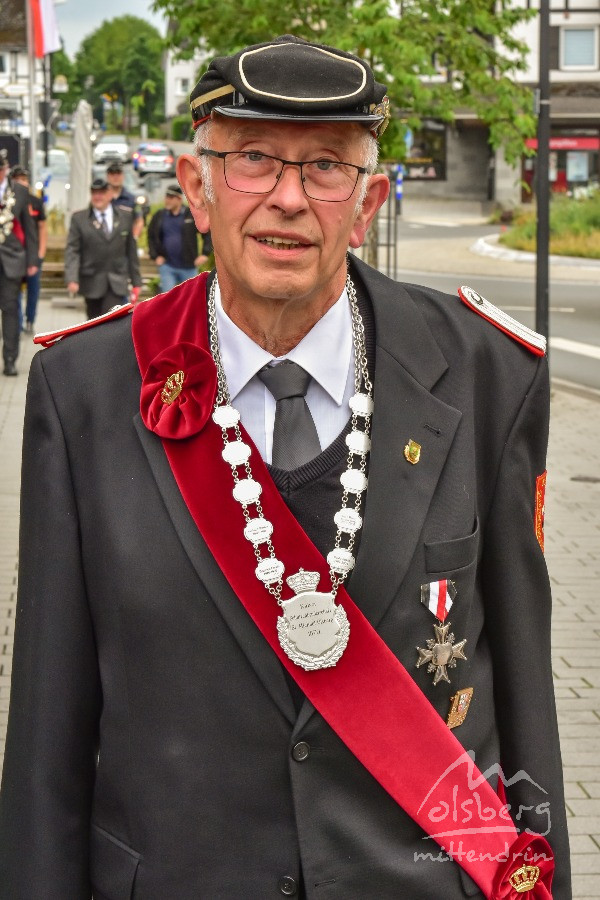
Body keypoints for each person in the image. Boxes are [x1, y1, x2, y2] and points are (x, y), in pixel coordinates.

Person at [0, 35, 570, 899]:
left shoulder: (492, 376)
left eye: (327, 168)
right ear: (196, 187)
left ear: (369, 199)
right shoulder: (81, 392)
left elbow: (528, 709)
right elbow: (47, 736)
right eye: (253, 159)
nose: (289, 198)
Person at [65, 175, 142, 319]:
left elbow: (131, 250)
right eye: (94, 193)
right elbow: (72, 250)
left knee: (111, 320)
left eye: (101, 193)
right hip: (91, 281)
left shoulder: (125, 217)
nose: (98, 197)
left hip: (117, 281)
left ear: (110, 194)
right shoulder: (79, 219)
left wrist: (136, 281)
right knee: (93, 323)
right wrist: (72, 278)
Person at [0, 151, 38, 375]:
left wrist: (32, 260)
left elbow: (29, 228)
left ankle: (10, 358)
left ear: (5, 169)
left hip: (12, 259)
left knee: (10, 309)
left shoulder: (20, 192)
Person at [147, 183, 211, 291]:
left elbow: (207, 233)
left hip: (188, 266)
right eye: (166, 197)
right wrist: (155, 256)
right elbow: (151, 236)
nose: (167, 200)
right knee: (168, 299)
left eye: (171, 198)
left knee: (191, 298)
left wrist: (205, 253)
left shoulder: (190, 214)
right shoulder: (160, 215)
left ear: (179, 199)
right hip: (167, 265)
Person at [10, 165, 47, 334]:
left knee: (33, 290)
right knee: (14, 291)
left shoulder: (35, 201)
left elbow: (42, 228)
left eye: (24, 180)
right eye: (18, 180)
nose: (21, 183)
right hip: (15, 255)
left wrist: (41, 252)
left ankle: (30, 319)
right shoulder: (9, 202)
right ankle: (16, 324)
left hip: (33, 254)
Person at [106, 160, 144, 239]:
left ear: (123, 176)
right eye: (112, 174)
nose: (115, 177)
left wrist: (134, 238)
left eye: (118, 174)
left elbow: (139, 221)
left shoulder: (132, 199)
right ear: (107, 176)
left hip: (125, 242)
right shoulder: (101, 199)